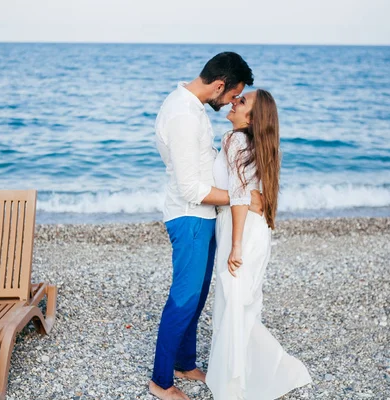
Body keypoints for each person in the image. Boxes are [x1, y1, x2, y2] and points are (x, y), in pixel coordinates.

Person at [150, 52, 261, 400]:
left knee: (196, 298)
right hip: (189, 217)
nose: (231, 102)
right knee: (183, 300)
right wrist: (241, 197)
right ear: (219, 85)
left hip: (203, 218)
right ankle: (161, 381)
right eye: (232, 95)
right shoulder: (184, 115)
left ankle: (184, 362)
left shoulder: (193, 108)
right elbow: (192, 189)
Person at [206, 89, 312, 399]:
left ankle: (238, 381)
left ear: (251, 118)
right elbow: (252, 196)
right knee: (240, 304)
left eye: (242, 102)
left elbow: (239, 197)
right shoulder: (258, 146)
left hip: (239, 230)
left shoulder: (235, 140)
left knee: (234, 302)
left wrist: (235, 244)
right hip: (255, 232)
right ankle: (245, 374)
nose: (233, 102)